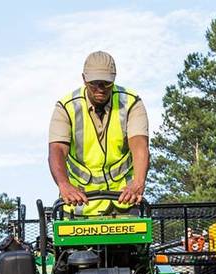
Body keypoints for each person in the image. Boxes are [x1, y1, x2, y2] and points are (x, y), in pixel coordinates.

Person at [48, 51, 150, 215]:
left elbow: (140, 146)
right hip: (80, 203)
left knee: (134, 239)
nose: (100, 89)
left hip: (124, 199)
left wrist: (138, 182)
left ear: (114, 79)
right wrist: (64, 185)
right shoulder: (66, 107)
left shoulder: (131, 103)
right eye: (94, 83)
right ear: (84, 79)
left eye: (106, 83)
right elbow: (57, 150)